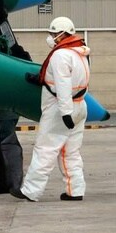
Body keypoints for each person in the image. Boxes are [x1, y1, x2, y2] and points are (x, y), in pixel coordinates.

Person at [11, 16, 90, 202]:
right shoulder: (80, 52)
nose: (51, 37)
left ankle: (31, 190)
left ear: (62, 34)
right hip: (80, 106)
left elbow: (62, 85)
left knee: (45, 149)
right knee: (71, 151)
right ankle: (75, 190)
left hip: (61, 108)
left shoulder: (60, 55)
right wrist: (39, 79)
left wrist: (64, 112)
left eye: (53, 33)